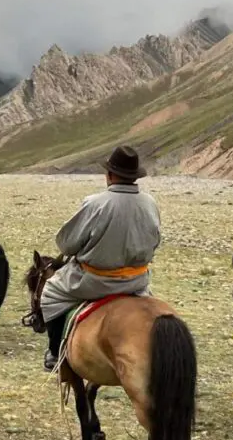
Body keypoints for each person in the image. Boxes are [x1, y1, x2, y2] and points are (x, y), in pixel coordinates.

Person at [39, 145, 161, 372]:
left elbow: (67, 244)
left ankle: (55, 354)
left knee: (50, 294)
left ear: (110, 175)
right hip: (136, 282)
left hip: (94, 282)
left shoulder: (95, 203)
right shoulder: (150, 203)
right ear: (134, 177)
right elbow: (155, 241)